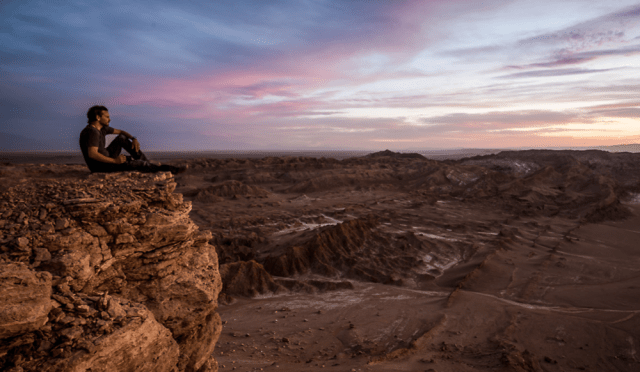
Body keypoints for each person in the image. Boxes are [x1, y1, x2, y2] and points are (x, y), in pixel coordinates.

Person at [79, 105, 186, 174]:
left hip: (107, 157)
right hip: (101, 167)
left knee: (122, 138)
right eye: (106, 116)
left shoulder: (102, 129)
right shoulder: (91, 132)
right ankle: (170, 169)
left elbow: (121, 132)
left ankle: (147, 164)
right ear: (98, 117)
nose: (109, 119)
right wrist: (115, 161)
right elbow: (92, 154)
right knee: (139, 164)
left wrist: (133, 138)